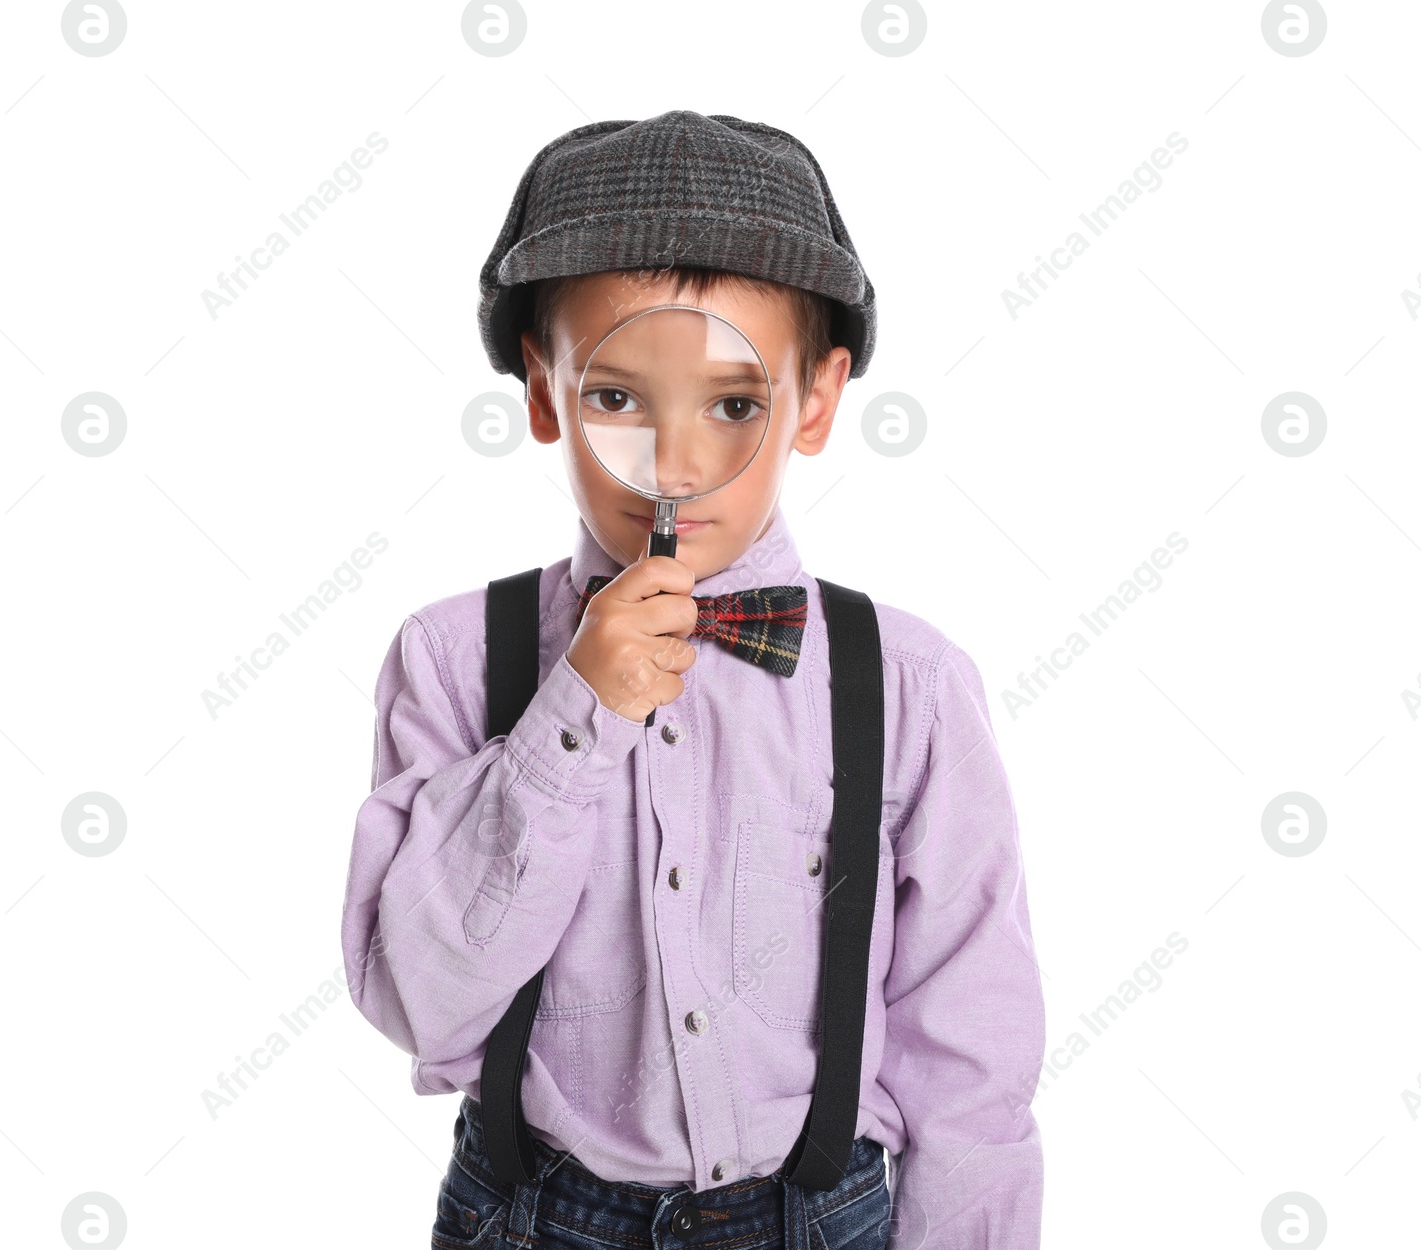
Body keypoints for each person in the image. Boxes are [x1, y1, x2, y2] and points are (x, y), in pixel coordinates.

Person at [339, 109, 1045, 1249]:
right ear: (539, 390)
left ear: (815, 400)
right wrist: (575, 712)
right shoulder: (451, 657)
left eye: (732, 404)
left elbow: (969, 1047)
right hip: (534, 1213)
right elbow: (419, 995)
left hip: (818, 1215)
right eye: (615, 397)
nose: (671, 462)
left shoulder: (909, 683)